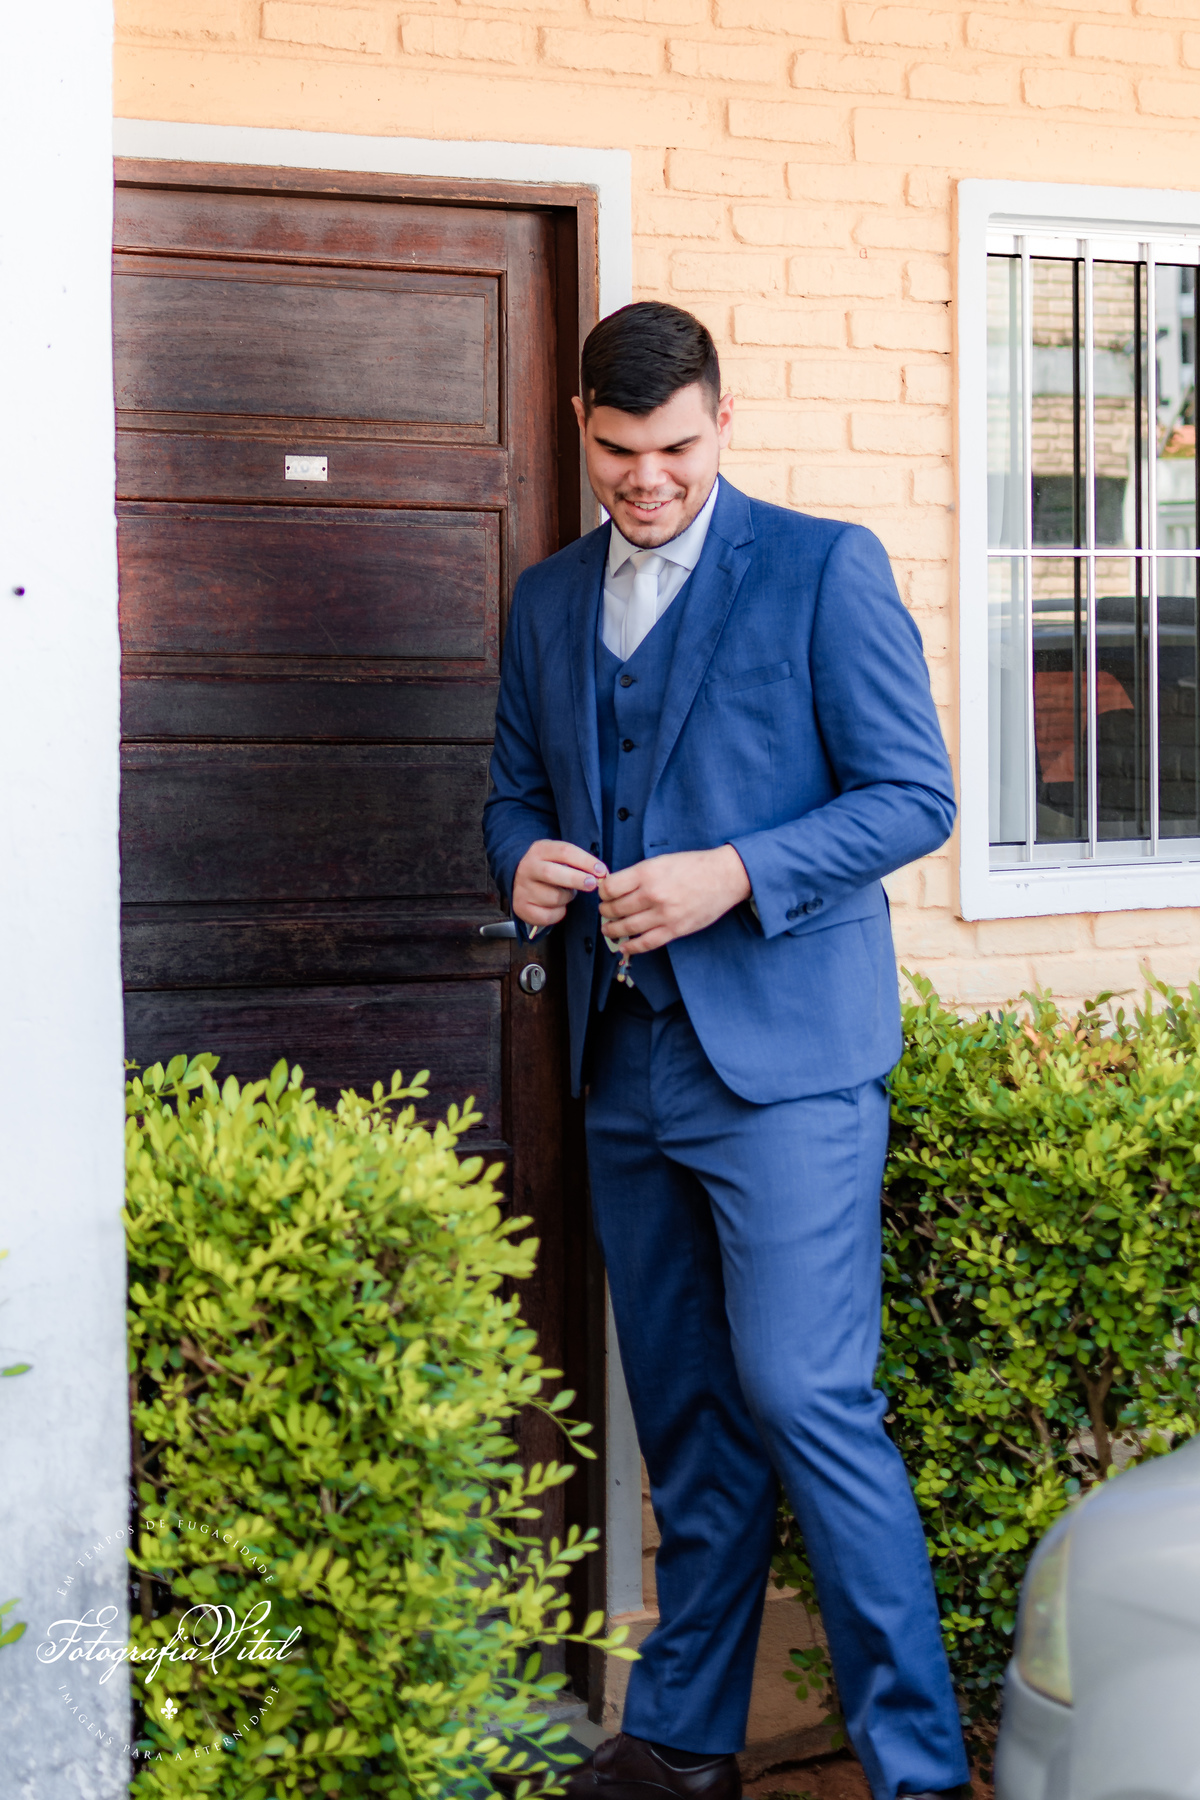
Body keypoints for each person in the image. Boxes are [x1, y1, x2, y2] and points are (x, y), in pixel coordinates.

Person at [482, 301, 969, 1800]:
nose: (651, 480)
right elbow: (510, 791)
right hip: (620, 1061)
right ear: (584, 429)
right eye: (624, 452)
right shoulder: (550, 598)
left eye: (678, 448)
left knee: (808, 1398)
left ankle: (918, 1768)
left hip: (789, 1067)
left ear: (723, 421)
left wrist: (735, 872)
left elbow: (914, 795)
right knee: (687, 1415)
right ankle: (688, 1741)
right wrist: (524, 864)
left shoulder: (826, 569)